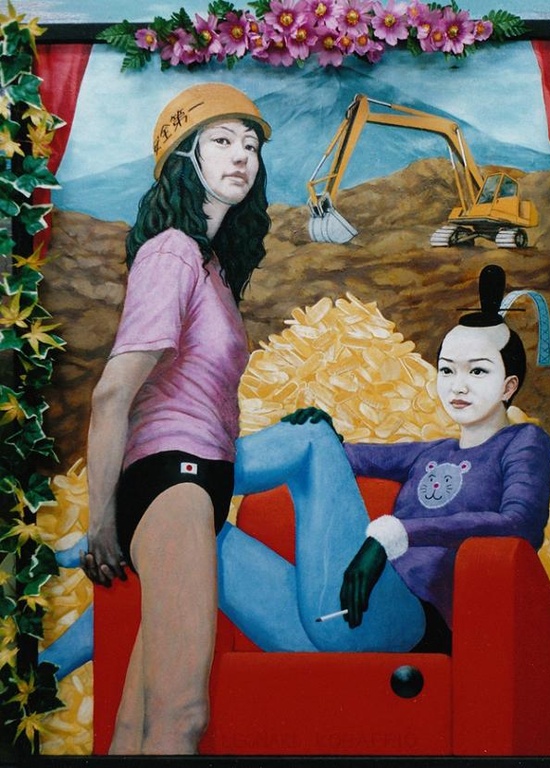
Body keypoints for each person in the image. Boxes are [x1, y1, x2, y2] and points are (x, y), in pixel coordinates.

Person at [217, 265, 550, 654]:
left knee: (308, 440)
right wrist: (325, 432)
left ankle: (198, 471)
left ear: (508, 386)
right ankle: (184, 484)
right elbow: (338, 459)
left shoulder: (523, 441)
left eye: (477, 371)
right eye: (447, 370)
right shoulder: (430, 452)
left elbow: (520, 523)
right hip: (332, 621)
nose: (458, 385)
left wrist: (394, 534)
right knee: (200, 529)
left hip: (408, 624)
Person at [80, 82, 272, 755]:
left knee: (137, 724)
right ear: (183, 159)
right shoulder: (171, 252)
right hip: (174, 478)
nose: (241, 156)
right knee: (183, 713)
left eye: (250, 145)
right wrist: (100, 522)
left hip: (196, 483)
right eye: (221, 141)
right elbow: (112, 394)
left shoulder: (209, 263)